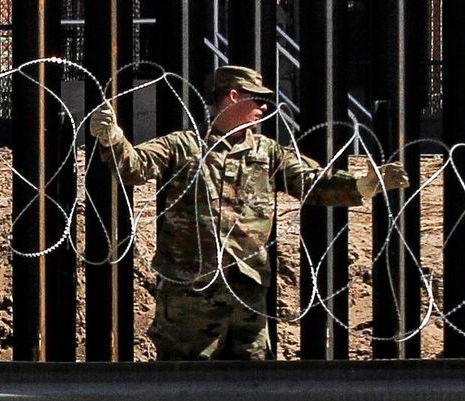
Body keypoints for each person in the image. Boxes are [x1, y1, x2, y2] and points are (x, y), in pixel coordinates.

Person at [88, 65, 409, 369]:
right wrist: (112, 138)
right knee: (183, 398)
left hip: (247, 297)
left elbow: (313, 182)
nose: (264, 108)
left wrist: (364, 186)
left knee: (252, 391)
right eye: (258, 99)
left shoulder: (268, 153)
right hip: (190, 301)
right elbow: (135, 167)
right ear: (233, 96)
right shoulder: (183, 147)